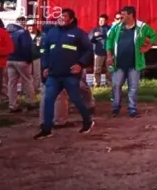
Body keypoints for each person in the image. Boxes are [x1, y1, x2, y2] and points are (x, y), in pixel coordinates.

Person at [34, 9, 95, 139]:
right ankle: (46, 128)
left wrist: (80, 64)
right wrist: (44, 67)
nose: (61, 18)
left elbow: (89, 50)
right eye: (60, 16)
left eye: (65, 16)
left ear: (72, 19)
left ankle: (87, 121)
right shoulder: (52, 33)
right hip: (53, 74)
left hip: (70, 75)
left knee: (76, 99)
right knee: (48, 100)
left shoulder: (78, 34)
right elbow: (44, 51)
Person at [106, 6, 157, 118]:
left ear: (130, 15)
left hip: (134, 63)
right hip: (118, 63)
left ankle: (132, 109)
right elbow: (109, 41)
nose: (121, 17)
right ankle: (116, 107)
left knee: (133, 87)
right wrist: (109, 56)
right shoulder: (116, 27)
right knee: (116, 85)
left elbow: (154, 36)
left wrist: (147, 46)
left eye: (124, 14)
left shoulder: (141, 27)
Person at [6, 17, 38, 113]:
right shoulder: (23, 33)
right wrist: (28, 59)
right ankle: (31, 102)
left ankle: (13, 105)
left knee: (11, 83)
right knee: (28, 81)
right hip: (21, 60)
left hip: (9, 60)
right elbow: (26, 47)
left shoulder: (8, 32)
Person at [89, 14, 111, 87]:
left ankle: (109, 83)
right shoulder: (95, 29)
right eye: (100, 20)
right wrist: (93, 35)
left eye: (103, 20)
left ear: (106, 21)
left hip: (109, 53)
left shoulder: (110, 29)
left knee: (109, 69)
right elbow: (89, 39)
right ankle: (96, 83)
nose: (101, 22)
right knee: (97, 69)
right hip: (98, 52)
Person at [26, 19, 43, 92]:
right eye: (28, 26)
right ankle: (28, 90)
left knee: (37, 74)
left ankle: (36, 89)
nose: (29, 27)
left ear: (35, 26)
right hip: (27, 58)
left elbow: (42, 47)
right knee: (27, 75)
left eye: (31, 26)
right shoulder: (25, 35)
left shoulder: (41, 36)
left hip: (37, 58)